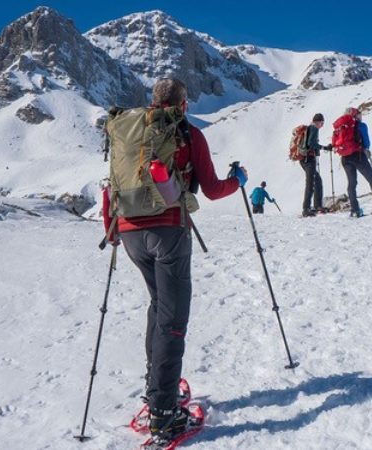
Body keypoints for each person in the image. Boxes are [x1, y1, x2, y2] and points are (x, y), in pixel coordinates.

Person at [115, 78, 247, 443]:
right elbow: (213, 189)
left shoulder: (132, 128)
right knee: (173, 320)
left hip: (127, 231)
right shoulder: (188, 133)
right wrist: (238, 179)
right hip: (168, 231)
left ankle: (157, 388)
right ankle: (164, 413)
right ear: (184, 104)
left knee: (159, 306)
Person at [299, 113, 332, 217]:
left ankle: (317, 206)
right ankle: (306, 208)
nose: (322, 125)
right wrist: (323, 148)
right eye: (322, 123)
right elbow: (311, 143)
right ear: (318, 121)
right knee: (311, 183)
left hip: (304, 159)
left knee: (317, 181)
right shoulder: (314, 128)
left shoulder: (310, 128)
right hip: (308, 159)